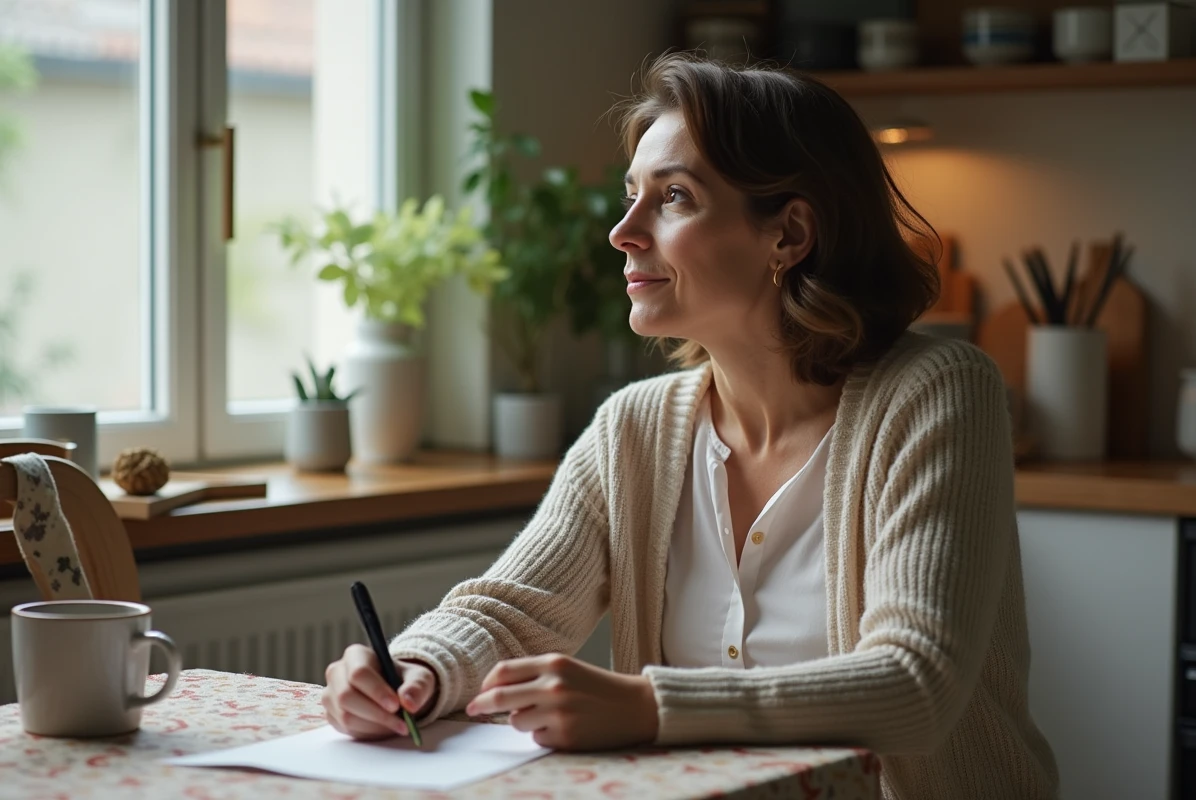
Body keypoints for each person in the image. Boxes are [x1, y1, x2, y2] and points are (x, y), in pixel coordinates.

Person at [322, 53, 1059, 799]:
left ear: (788, 234)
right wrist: (414, 669)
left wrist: (650, 706)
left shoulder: (938, 393)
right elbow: (514, 611)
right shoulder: (633, 428)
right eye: (631, 196)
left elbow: (915, 684)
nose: (623, 232)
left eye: (673, 197)